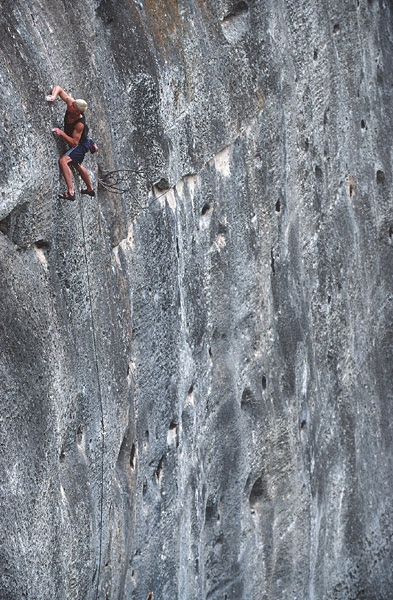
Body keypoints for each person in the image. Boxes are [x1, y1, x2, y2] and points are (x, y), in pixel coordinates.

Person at [46, 86, 95, 200]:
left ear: (77, 112)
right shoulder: (72, 103)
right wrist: (53, 96)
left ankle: (71, 192)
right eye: (72, 104)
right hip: (83, 142)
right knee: (77, 164)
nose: (70, 105)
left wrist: (61, 133)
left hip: (80, 145)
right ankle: (90, 188)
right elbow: (58, 88)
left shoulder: (79, 124)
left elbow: (74, 143)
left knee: (63, 161)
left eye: (73, 106)